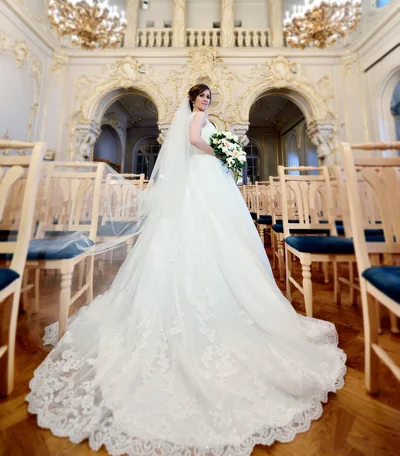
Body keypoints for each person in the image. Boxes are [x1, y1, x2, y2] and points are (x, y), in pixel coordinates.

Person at [27, 84, 346, 456]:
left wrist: (224, 153)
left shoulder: (206, 117)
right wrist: (223, 150)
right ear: (192, 100)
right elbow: (195, 142)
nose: (206, 101)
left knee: (221, 235)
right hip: (201, 180)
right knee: (198, 231)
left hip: (210, 181)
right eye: (202, 97)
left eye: (209, 97)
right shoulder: (196, 120)